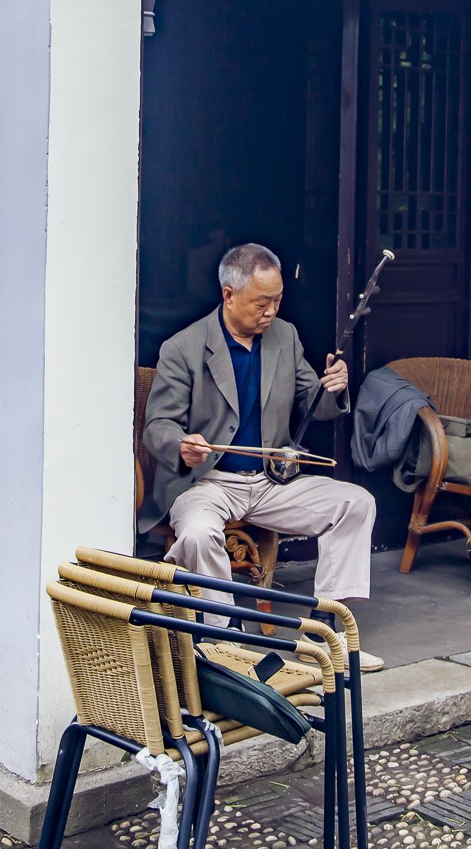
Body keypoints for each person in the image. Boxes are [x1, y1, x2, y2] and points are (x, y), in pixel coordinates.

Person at [142, 243, 382, 666]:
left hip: (272, 481)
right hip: (208, 482)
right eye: (261, 303)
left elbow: (313, 403)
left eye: (277, 300)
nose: (270, 312)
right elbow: (157, 425)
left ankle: (326, 630)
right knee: (196, 532)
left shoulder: (284, 337)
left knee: (356, 503)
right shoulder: (183, 347)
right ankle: (224, 634)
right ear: (229, 295)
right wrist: (182, 445)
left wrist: (334, 388)